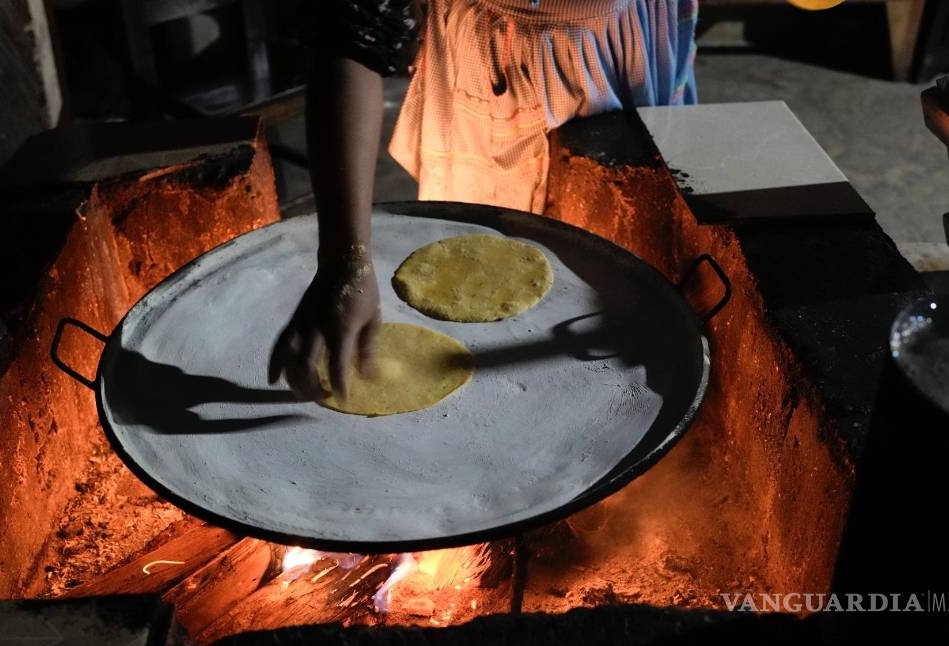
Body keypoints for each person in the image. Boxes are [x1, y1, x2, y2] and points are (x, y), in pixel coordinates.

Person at [268, 0, 698, 400]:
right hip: (495, 65)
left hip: (625, 40)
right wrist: (347, 262)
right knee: (482, 278)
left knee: (622, 274)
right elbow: (354, 31)